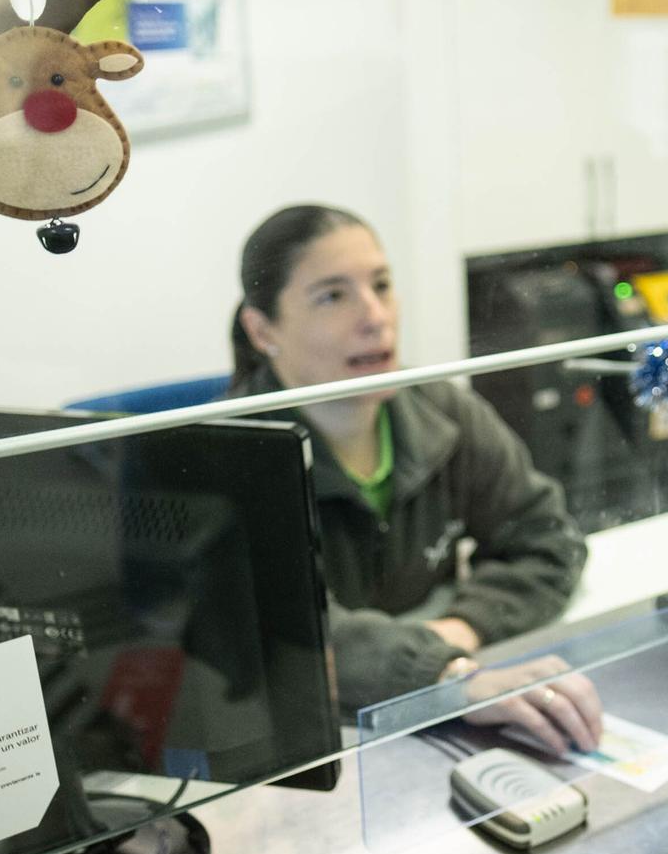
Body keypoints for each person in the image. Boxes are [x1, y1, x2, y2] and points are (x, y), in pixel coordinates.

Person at [230, 204, 599, 754]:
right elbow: (286, 638)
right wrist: (442, 671)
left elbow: (550, 540)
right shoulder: (233, 459)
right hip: (305, 744)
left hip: (427, 705)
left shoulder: (443, 412)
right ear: (263, 331)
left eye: (381, 285)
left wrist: (464, 627)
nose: (375, 315)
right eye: (333, 296)